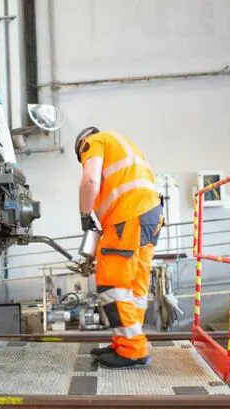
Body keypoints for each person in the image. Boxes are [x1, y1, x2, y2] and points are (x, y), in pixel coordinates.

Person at [76, 127, 164, 369]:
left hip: (127, 216)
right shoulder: (124, 144)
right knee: (134, 286)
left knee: (113, 284)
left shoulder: (93, 141)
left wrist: (85, 215)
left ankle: (132, 350)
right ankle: (125, 342)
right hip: (151, 214)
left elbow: (91, 179)